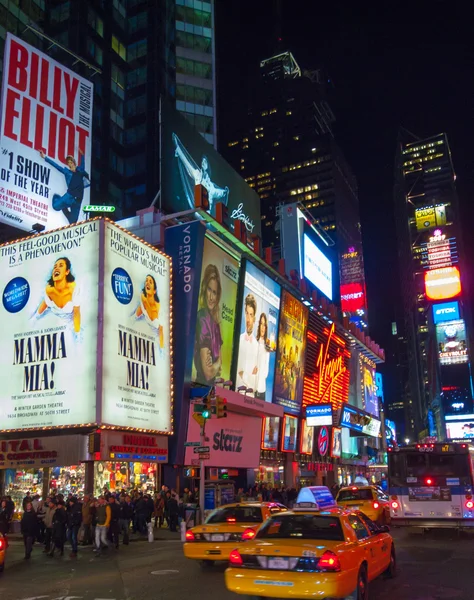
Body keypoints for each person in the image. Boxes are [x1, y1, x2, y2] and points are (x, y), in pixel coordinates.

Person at [173, 133, 229, 215]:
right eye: (202, 161)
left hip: (207, 215)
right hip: (198, 212)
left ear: (207, 166)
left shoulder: (211, 186)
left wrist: (225, 191)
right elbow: (187, 163)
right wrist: (178, 148)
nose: (203, 162)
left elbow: (220, 193)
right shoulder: (197, 175)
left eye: (205, 161)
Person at [39, 149, 90, 224]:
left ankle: (64, 207)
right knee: (55, 206)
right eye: (68, 163)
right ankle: (59, 199)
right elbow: (56, 166)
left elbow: (82, 163)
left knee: (72, 222)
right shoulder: (67, 172)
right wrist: (45, 157)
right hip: (69, 196)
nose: (70, 164)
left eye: (71, 162)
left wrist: (82, 155)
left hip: (78, 200)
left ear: (74, 163)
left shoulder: (80, 170)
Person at [34, 256, 81, 336]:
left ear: (67, 272)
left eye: (61, 265)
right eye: (55, 267)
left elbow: (76, 313)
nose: (56, 268)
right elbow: (45, 303)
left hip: (69, 323)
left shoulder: (73, 289)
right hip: (52, 321)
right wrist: (35, 318)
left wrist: (77, 334)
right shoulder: (49, 289)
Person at [194, 264, 223, 385]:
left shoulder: (215, 324)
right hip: (198, 392)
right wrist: (218, 364)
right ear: (204, 289)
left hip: (211, 393)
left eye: (215, 292)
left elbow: (219, 368)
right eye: (209, 290)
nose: (211, 297)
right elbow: (208, 373)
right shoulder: (202, 318)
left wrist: (216, 365)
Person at [236, 293, 259, 391]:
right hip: (235, 394)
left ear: (254, 318)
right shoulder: (238, 340)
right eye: (246, 313)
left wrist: (243, 374)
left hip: (251, 398)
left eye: (251, 315)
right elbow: (235, 373)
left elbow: (255, 384)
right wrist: (249, 376)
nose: (248, 319)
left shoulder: (257, 346)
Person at [135, 275, 164, 345]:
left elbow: (160, 329)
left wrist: (161, 348)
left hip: (156, 341)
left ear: (154, 291)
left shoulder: (158, 306)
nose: (147, 282)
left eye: (150, 282)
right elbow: (136, 316)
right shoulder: (142, 301)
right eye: (146, 280)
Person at [255, 312, 270, 400]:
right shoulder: (254, 342)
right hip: (252, 388)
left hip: (262, 389)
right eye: (261, 324)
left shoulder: (267, 346)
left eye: (264, 325)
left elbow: (266, 371)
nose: (263, 327)